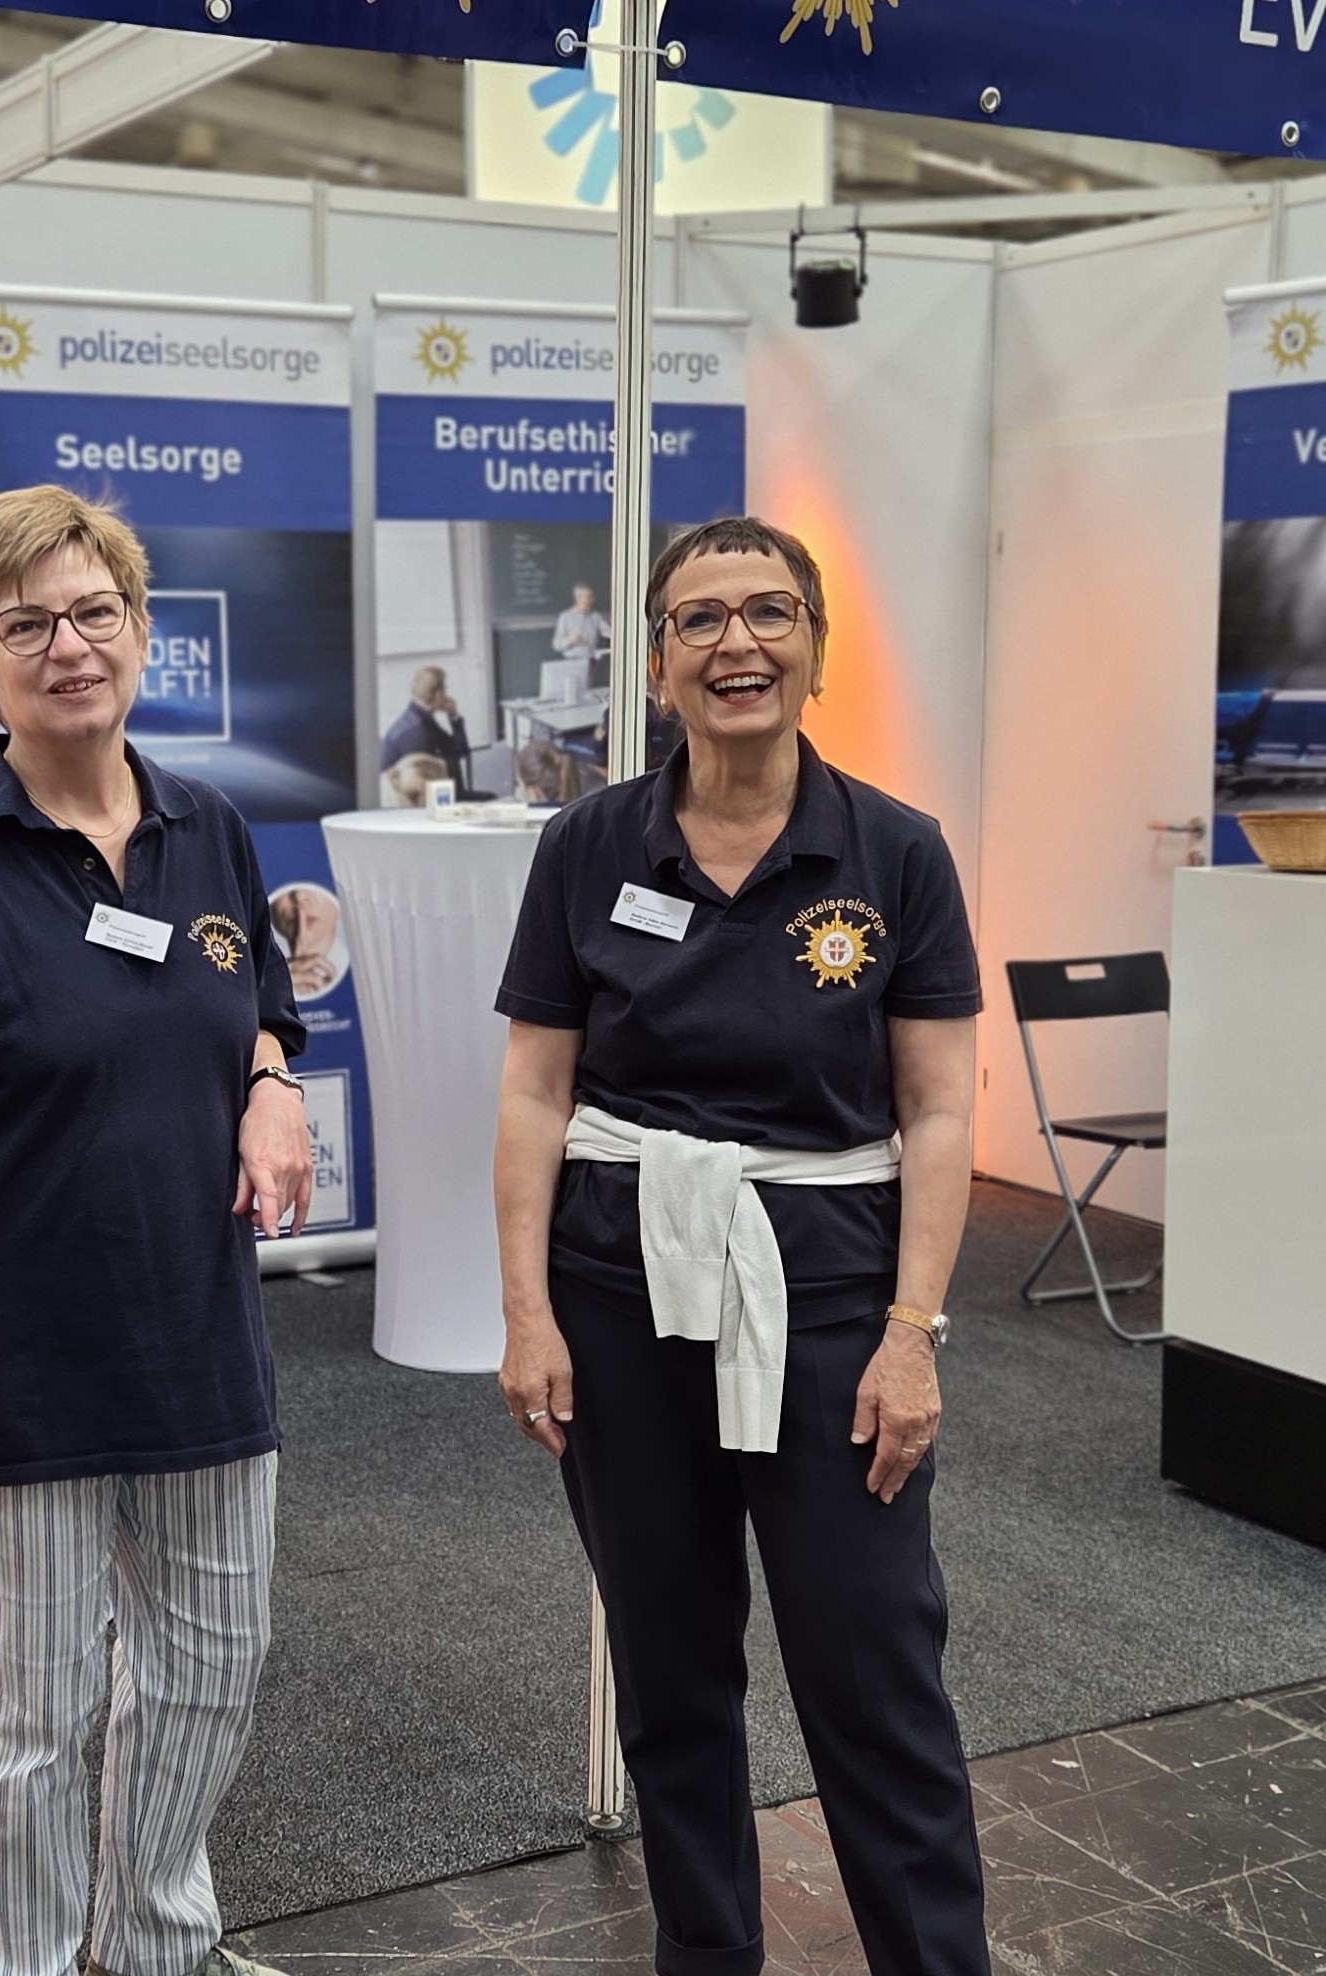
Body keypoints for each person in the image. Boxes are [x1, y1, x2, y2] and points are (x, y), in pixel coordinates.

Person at [0, 483, 310, 1976]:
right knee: (27, 1724)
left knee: (211, 1673)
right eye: (26, 623)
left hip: (200, 1346)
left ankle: (154, 1944)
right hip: (13, 1364)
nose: (69, 647)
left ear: (142, 630)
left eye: (95, 613)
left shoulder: (208, 826)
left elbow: (255, 1005)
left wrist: (272, 1082)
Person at [493, 516, 988, 1976]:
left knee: (872, 1665)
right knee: (667, 1663)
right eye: (699, 622)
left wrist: (914, 1334)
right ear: (656, 665)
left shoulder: (894, 852)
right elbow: (534, 1090)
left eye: (768, 614)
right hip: (619, 1283)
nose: (736, 645)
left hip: (831, 1296)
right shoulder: (588, 845)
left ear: (815, 648)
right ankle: (705, 1955)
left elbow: (941, 1110)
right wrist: (525, 1310)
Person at [378, 666, 477, 800]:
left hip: (444, 792)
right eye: (444, 689)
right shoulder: (416, 732)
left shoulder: (421, 720)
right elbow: (421, 791)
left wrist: (454, 716)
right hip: (426, 801)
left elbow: (459, 750)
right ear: (438, 693)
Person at [552, 580, 611, 686]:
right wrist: (570, 640)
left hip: (591, 664)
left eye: (591, 596)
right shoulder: (566, 617)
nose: (590, 600)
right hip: (571, 663)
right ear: (578, 598)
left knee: (590, 693)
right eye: (587, 596)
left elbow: (609, 633)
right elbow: (557, 644)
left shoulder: (595, 617)